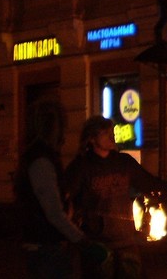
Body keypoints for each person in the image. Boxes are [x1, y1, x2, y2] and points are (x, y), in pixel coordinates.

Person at [63, 116, 167, 278]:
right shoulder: (81, 167)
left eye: (112, 131)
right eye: (105, 132)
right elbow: (65, 198)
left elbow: (150, 184)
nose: (111, 135)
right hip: (97, 246)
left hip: (125, 243)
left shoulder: (124, 162)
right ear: (92, 139)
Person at [14, 100, 107, 279]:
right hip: (46, 249)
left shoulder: (40, 158)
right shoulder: (41, 161)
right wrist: (83, 241)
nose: (64, 131)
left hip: (45, 247)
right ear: (51, 127)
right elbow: (53, 212)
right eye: (61, 125)